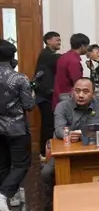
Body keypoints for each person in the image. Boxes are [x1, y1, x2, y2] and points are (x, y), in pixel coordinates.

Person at [42, 78, 99, 191]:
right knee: (46, 173)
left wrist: (82, 134)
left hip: (95, 151)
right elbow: (59, 130)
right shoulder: (62, 106)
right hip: (66, 152)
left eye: (85, 91)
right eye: (77, 91)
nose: (80, 95)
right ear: (72, 91)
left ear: (93, 94)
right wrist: (68, 135)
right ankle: (55, 199)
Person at [0, 40, 34, 211]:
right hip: (16, 127)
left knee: (3, 164)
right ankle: (4, 194)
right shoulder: (19, 78)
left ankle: (8, 198)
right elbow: (29, 105)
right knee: (21, 164)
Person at [33, 31, 61, 159]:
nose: (59, 42)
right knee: (48, 125)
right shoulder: (47, 55)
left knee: (48, 124)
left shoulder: (50, 54)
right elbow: (59, 60)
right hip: (45, 96)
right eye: (57, 40)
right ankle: (44, 153)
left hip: (46, 95)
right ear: (48, 41)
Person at [52, 33, 89, 109]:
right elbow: (77, 83)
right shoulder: (74, 61)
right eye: (87, 46)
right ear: (82, 46)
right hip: (68, 99)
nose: (88, 48)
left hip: (58, 96)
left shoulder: (63, 56)